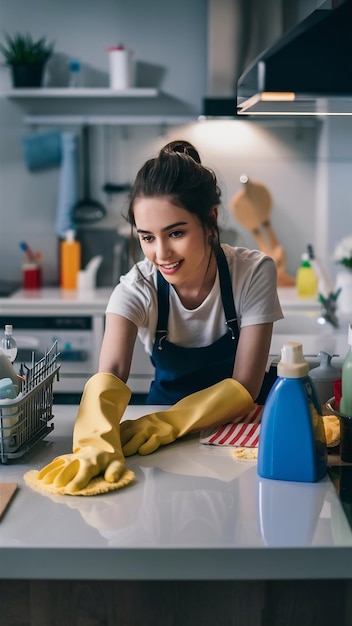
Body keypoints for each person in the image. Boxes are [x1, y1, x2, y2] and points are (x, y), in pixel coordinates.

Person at [24, 140, 283, 497]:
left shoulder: (253, 271)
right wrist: (93, 443)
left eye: (176, 233)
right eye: (147, 237)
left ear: (211, 219)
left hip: (239, 434)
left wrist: (166, 423)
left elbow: (246, 386)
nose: (162, 254)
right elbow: (111, 373)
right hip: (163, 442)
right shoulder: (136, 288)